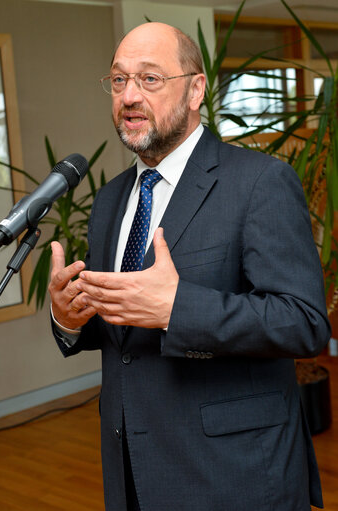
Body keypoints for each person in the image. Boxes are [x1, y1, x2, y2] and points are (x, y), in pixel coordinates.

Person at [49, 22, 331, 511]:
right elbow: (123, 331)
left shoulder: (260, 182)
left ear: (196, 88)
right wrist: (69, 319)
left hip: (233, 475)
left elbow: (303, 324)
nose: (130, 95)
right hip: (132, 470)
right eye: (118, 81)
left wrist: (178, 308)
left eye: (150, 79)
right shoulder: (111, 198)